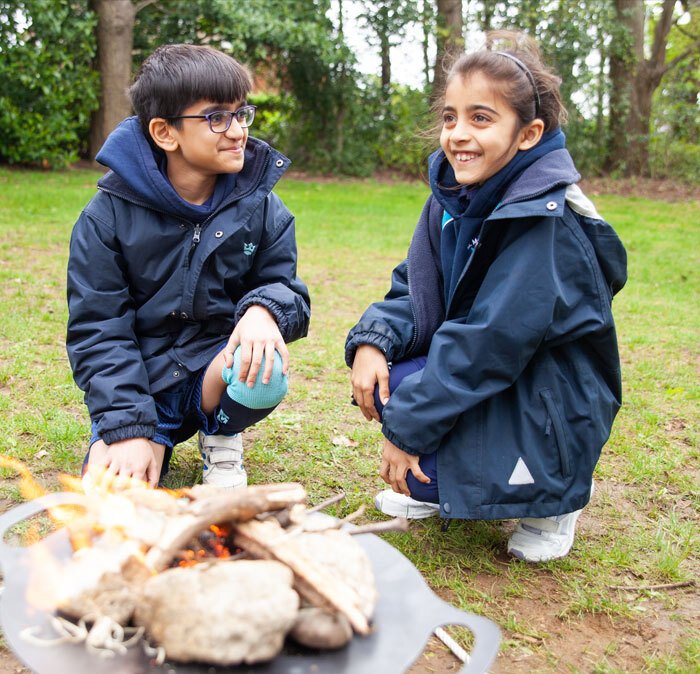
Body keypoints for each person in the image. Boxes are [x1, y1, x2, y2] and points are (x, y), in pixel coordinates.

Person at [346, 31, 627, 562]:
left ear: (528, 134)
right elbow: (417, 289)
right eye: (450, 117)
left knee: (416, 402)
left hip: (549, 395)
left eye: (481, 118)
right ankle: (439, 485)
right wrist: (372, 341)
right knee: (391, 380)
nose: (457, 134)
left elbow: (490, 343)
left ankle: (552, 499)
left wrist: (405, 431)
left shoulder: (544, 219)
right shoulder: (457, 197)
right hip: (498, 372)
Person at [67, 44, 310, 490]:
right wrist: (127, 431)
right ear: (165, 133)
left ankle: (221, 435)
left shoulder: (263, 206)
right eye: (217, 117)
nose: (238, 131)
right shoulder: (105, 218)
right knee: (114, 501)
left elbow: (285, 287)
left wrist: (263, 311)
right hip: (143, 381)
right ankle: (148, 433)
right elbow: (98, 330)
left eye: (242, 113)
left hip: (213, 368)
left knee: (266, 368)